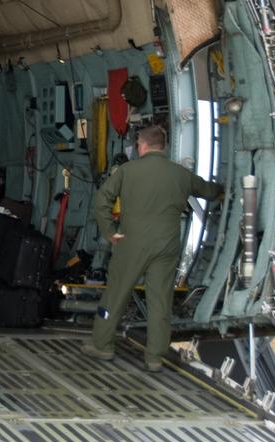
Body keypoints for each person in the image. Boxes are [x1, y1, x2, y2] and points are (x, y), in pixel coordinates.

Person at [84, 125, 223, 371]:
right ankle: (154, 357)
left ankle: (102, 344)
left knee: (115, 295)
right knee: (160, 301)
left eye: (138, 144)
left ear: (143, 145)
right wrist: (224, 190)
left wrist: (109, 231)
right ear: (164, 146)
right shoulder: (181, 174)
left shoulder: (127, 170)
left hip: (131, 243)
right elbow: (209, 191)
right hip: (167, 245)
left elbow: (102, 199)